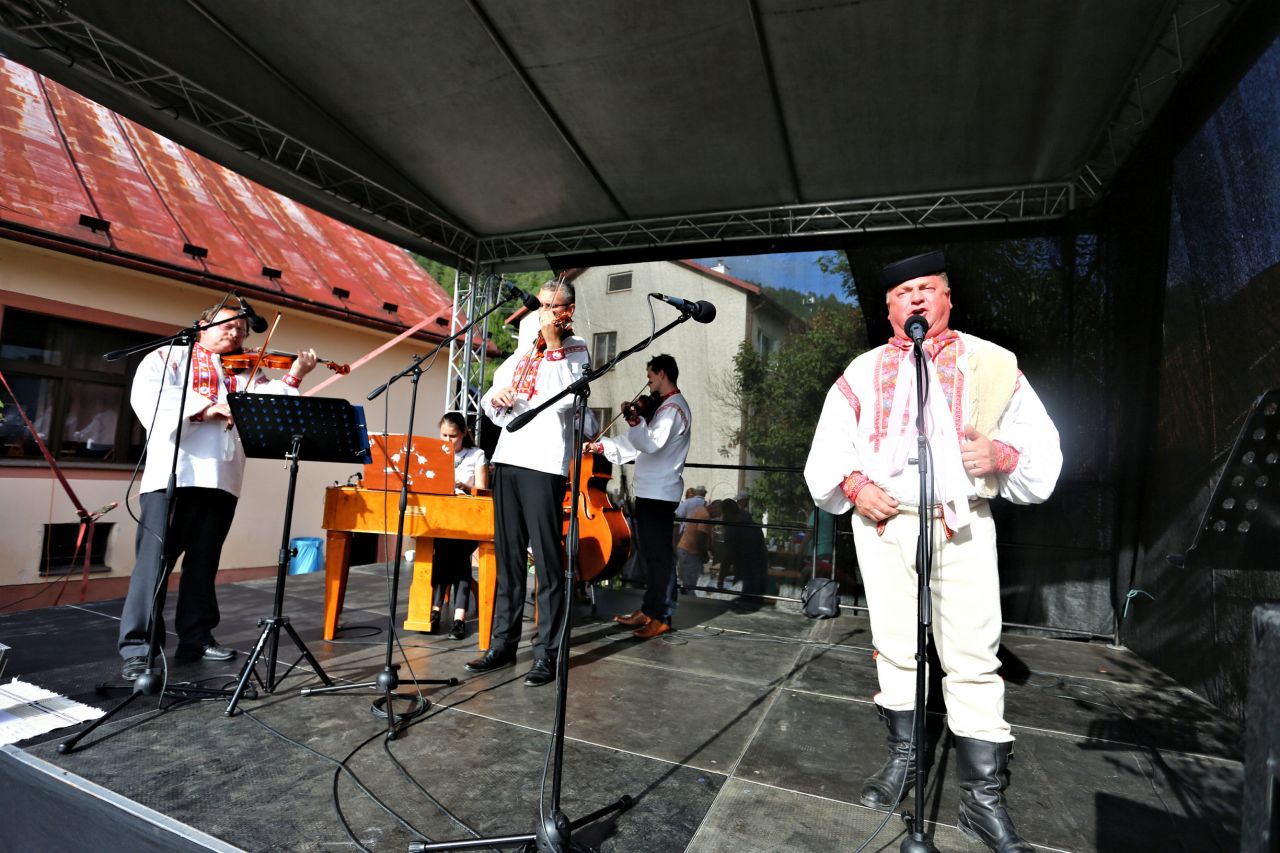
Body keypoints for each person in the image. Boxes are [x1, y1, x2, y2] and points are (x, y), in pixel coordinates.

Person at [804, 251, 1061, 853]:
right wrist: (855, 486)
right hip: (885, 524)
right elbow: (830, 448)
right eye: (903, 292)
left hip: (960, 521)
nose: (915, 298)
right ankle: (906, 762)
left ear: (947, 297)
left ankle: (981, 802)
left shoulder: (992, 363)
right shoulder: (862, 371)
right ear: (889, 307)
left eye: (926, 288)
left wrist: (1000, 455)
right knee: (896, 648)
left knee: (972, 657)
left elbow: (1042, 449)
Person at [118, 301, 318, 681]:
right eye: (229, 325)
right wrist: (206, 409)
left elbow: (271, 409)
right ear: (202, 324)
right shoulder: (168, 357)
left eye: (242, 329)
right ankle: (139, 648)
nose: (237, 333)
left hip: (223, 477)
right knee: (153, 565)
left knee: (204, 563)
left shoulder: (246, 371)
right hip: (174, 476)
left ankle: (196, 638)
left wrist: (294, 375)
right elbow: (149, 397)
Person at [467, 279, 589, 687]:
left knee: (548, 563)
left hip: (544, 464)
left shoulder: (576, 349)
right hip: (508, 458)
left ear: (567, 310)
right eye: (540, 306)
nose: (543, 313)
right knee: (508, 557)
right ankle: (502, 644)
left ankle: (547, 653)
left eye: (551, 306)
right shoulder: (523, 348)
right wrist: (497, 398)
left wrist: (553, 346)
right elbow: (490, 402)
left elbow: (566, 400)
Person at [587, 354, 691, 638]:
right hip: (650, 491)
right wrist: (602, 446)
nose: (648, 383)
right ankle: (650, 609)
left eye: (650, 377)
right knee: (650, 554)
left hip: (660, 493)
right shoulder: (663, 408)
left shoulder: (674, 409)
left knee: (659, 556)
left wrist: (636, 421)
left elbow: (651, 443)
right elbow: (638, 443)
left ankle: (662, 615)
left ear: (662, 374)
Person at [430, 411, 488, 641]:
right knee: (446, 553)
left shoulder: (477, 455)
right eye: (444, 435)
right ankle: (452, 616)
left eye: (452, 436)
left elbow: (482, 491)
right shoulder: (434, 453)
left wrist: (464, 487)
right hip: (442, 518)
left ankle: (444, 613)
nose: (447, 440)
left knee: (455, 554)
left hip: (468, 521)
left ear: (463, 433)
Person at [676, 496, 717, 594]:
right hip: (690, 552)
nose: (718, 516)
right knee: (690, 584)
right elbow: (701, 538)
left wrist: (711, 549)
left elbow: (706, 536)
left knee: (687, 582)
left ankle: (686, 598)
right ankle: (689, 601)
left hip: (685, 549)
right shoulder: (705, 516)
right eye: (718, 513)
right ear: (713, 507)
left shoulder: (701, 510)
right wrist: (705, 556)